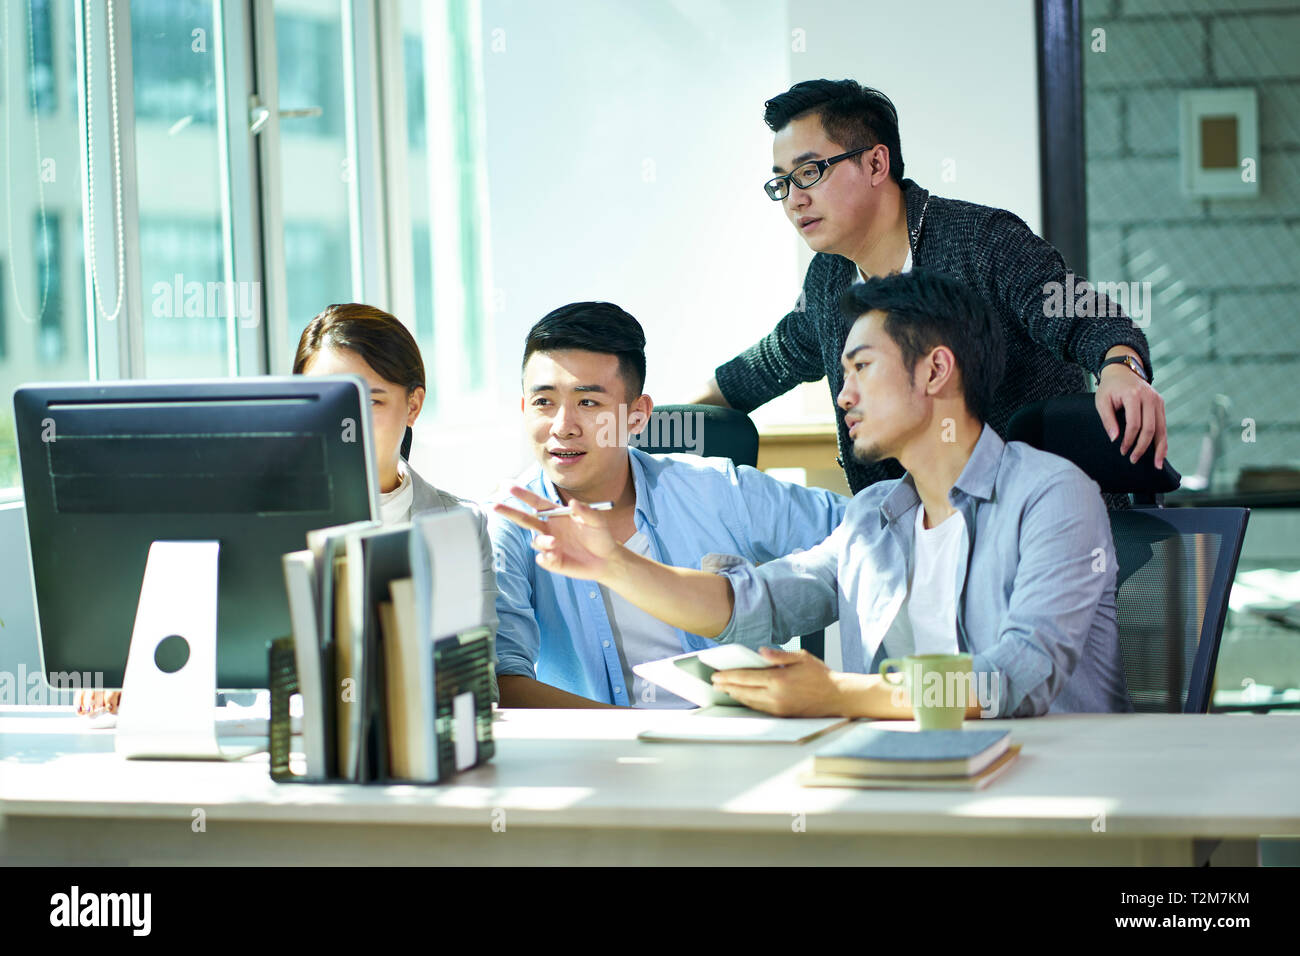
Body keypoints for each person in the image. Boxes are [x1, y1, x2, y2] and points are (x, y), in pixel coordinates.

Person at [496, 272, 1133, 719]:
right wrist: (613, 562)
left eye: (861, 367)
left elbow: (1014, 680)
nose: (843, 394)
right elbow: (754, 603)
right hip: (911, 794)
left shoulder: (1051, 497)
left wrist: (843, 694)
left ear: (935, 370)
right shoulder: (875, 520)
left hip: (1050, 794)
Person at [692, 79, 1166, 500]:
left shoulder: (981, 240)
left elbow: (1081, 313)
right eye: (782, 183)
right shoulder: (829, 278)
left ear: (876, 163)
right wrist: (658, 421)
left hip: (1028, 523)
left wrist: (1120, 365)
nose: (795, 199)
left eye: (809, 172)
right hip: (908, 543)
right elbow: (770, 362)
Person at [76, 303, 499, 717]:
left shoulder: (461, 524)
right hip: (274, 741)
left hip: (405, 745)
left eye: (370, 401)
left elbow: (476, 680)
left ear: (412, 405)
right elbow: (194, 644)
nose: (345, 426)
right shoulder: (250, 511)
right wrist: (133, 668)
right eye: (328, 404)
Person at [489, 301, 847, 709]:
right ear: (523, 409)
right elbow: (505, 683)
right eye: (543, 402)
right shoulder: (509, 523)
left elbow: (870, 530)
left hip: (742, 741)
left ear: (637, 416)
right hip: (605, 758)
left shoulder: (716, 488)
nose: (562, 426)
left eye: (588, 403)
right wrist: (640, 734)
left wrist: (773, 594)